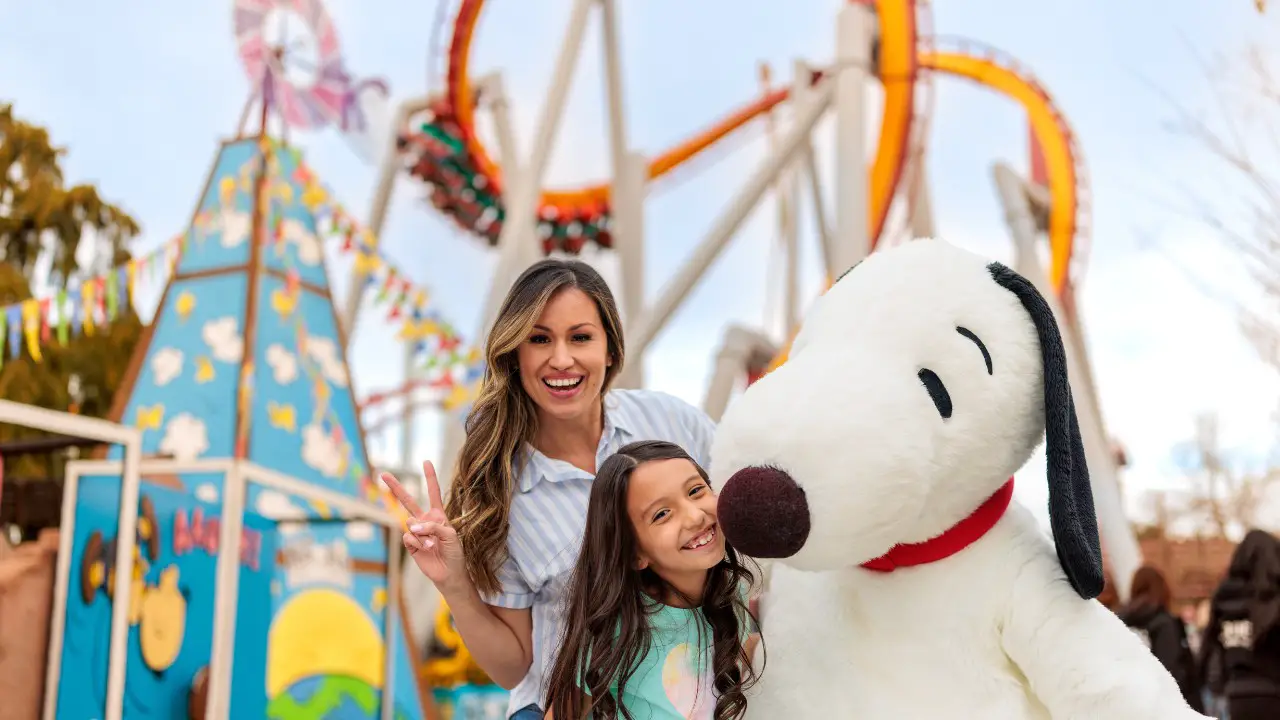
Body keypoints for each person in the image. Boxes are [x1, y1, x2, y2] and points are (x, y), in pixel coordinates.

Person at [386, 258, 718, 720]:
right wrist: (454, 585)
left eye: (580, 337)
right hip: (568, 704)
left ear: (609, 349)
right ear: (515, 355)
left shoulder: (670, 420)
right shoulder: (497, 491)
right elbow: (513, 666)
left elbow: (744, 511)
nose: (561, 359)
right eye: (539, 339)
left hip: (698, 690)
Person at [541, 440, 761, 719]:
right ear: (635, 554)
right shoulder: (617, 630)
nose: (695, 516)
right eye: (662, 514)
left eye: (695, 491)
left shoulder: (735, 590)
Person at [1197, 529, 1280, 720]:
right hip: (1274, 693)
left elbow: (1210, 648)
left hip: (1237, 696)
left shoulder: (1223, 599)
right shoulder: (1272, 598)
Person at [1118, 565, 1204, 711]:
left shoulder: (1118, 623)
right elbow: (1173, 671)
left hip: (1129, 705)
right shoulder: (1165, 623)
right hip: (1165, 707)